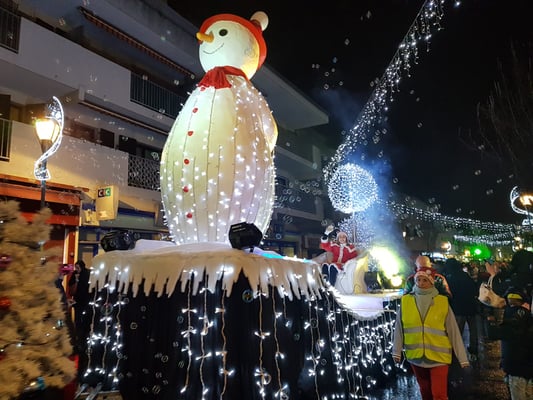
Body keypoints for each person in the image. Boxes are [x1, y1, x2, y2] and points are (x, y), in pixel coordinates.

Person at [393, 267, 470, 400]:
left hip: (439, 357)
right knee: (425, 392)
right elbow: (399, 328)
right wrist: (396, 351)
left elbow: (453, 331)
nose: (421, 283)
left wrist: (462, 358)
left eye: (425, 280)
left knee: (439, 395)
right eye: (418, 280)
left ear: (431, 282)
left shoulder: (442, 301)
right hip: (416, 356)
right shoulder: (406, 301)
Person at [487, 287, 533, 400]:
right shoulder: (528, 316)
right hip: (528, 366)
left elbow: (494, 334)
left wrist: (490, 321)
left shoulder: (507, 316)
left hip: (515, 367)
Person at [443, 258, 479, 359]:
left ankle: (456, 351)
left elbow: (449, 294)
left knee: (458, 331)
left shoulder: (450, 278)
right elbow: (474, 289)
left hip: (458, 308)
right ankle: (473, 350)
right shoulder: (465, 275)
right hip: (471, 307)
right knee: (473, 330)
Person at [68, 260, 91, 354]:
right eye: (75, 267)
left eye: (78, 267)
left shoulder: (88, 274)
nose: (76, 269)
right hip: (78, 303)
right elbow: (71, 291)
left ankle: (85, 343)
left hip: (86, 303)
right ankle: (79, 343)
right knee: (78, 323)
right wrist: (77, 280)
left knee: (85, 323)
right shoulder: (75, 274)